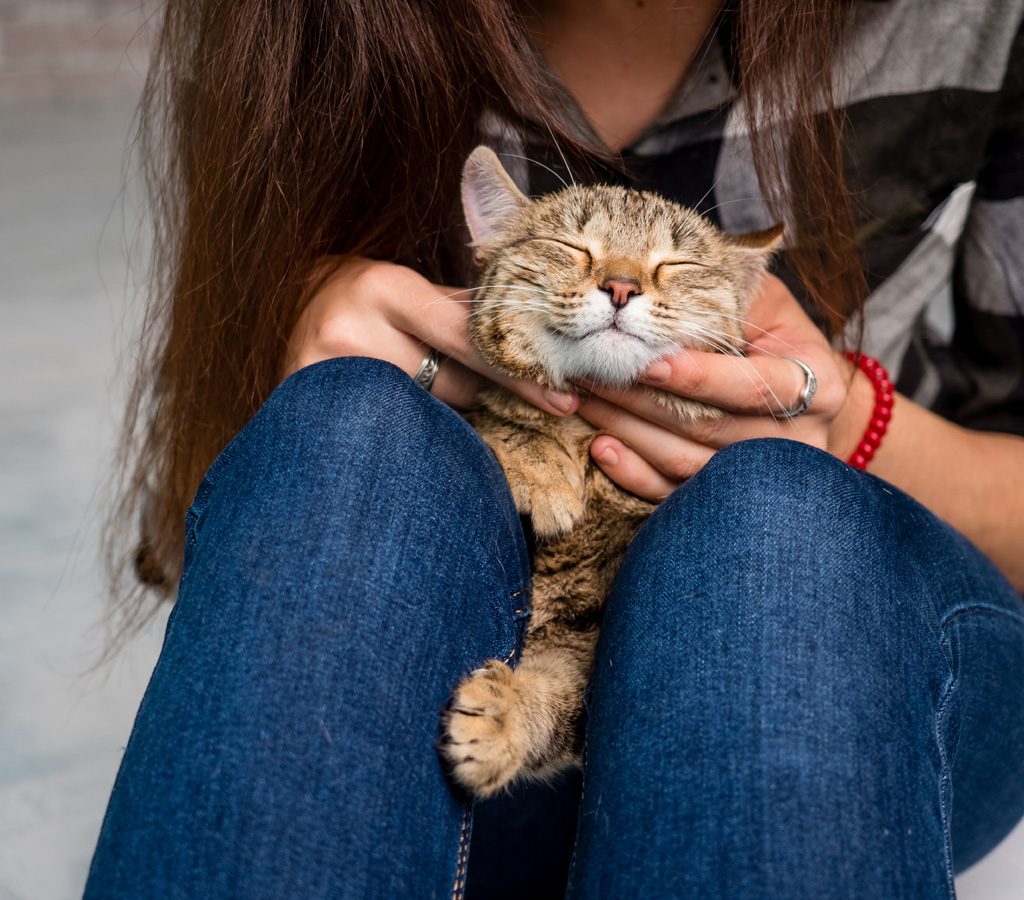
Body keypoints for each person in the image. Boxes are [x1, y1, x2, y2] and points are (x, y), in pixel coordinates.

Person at [88, 1, 1024, 897]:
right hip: (433, 738)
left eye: (660, 271)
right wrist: (294, 317)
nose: (618, 287)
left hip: (874, 688)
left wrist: (851, 422)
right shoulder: (309, 25)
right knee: (351, 426)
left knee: (769, 517)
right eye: (579, 261)